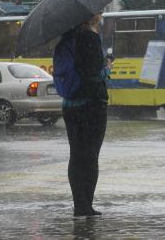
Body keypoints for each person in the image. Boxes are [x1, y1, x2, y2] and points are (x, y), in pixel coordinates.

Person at [60, 12, 112, 217]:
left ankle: (79, 204)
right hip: (91, 105)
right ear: (92, 16)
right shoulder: (89, 38)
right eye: (99, 12)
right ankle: (85, 206)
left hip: (70, 105)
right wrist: (108, 66)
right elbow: (95, 74)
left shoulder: (66, 39)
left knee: (76, 155)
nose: (101, 15)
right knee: (90, 157)